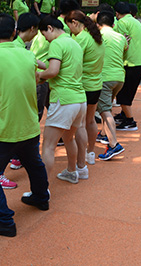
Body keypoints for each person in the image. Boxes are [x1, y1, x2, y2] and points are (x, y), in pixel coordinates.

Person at [0, 13, 50, 237]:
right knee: (33, 162)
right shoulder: (28, 56)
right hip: (29, 125)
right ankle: (41, 197)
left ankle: (5, 220)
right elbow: (39, 72)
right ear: (13, 33)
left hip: (5, 128)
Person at [37, 16, 86, 184]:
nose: (45, 39)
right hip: (79, 100)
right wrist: (41, 65)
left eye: (44, 35)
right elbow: (62, 67)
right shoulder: (74, 43)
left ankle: (42, 188)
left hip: (64, 100)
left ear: (50, 28)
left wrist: (39, 76)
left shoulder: (56, 43)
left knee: (48, 145)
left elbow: (53, 71)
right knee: (68, 138)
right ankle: (72, 171)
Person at [64, 10, 103, 170]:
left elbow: (72, 61)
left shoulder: (81, 39)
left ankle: (81, 161)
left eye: (69, 26)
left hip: (83, 85)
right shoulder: (96, 36)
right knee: (91, 120)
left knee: (79, 125)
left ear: (74, 23)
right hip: (96, 85)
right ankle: (91, 153)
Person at [94, 11, 127, 160]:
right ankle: (104, 134)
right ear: (113, 24)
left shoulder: (99, 36)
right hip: (119, 77)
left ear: (98, 24)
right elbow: (125, 50)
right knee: (106, 107)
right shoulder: (120, 37)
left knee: (105, 110)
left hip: (105, 78)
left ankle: (114, 144)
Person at [113, 2, 141, 131]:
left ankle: (130, 121)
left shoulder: (121, 23)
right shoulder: (135, 21)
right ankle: (124, 114)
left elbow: (122, 43)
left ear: (117, 13)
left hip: (130, 62)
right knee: (128, 90)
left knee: (123, 94)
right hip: (140, 61)